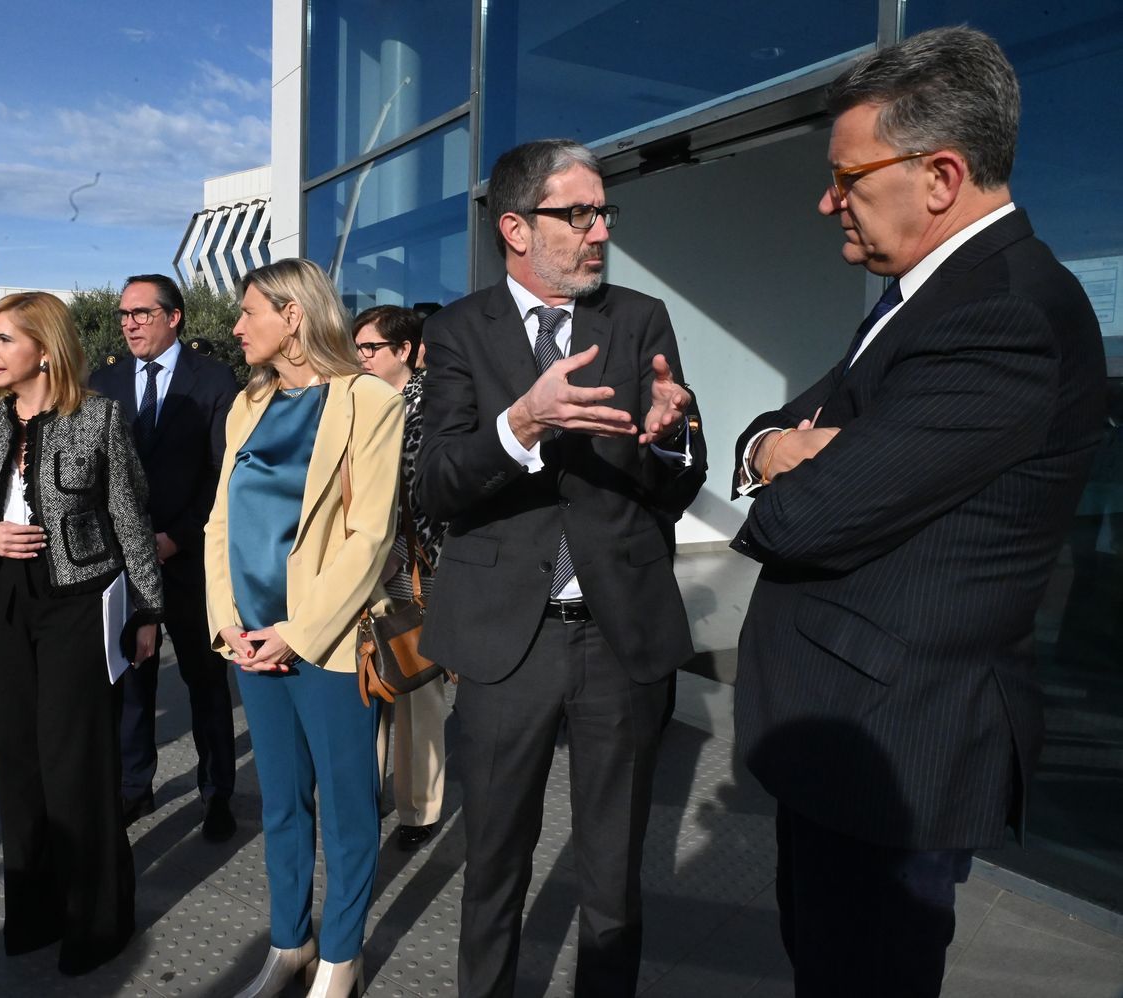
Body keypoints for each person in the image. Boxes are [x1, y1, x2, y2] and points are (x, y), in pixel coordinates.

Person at [729, 27, 1107, 998]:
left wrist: (814, 459)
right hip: (849, 738)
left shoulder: (1005, 313)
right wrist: (781, 448)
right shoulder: (918, 299)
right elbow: (775, 431)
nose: (827, 200)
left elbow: (799, 521)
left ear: (939, 175)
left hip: (899, 753)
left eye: (846, 176)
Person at [414, 139, 707, 998]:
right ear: (515, 226)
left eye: (604, 213)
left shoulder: (641, 318)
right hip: (510, 642)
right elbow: (436, 486)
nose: (598, 232)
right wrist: (522, 425)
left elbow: (676, 477)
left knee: (613, 877)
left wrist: (673, 433)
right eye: (576, 215)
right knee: (494, 865)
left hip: (621, 637)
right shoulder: (460, 330)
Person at [0, 291, 164, 976]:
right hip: (2, 603)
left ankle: (99, 921)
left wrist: (148, 612)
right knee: (17, 762)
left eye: (4, 339)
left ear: (45, 345)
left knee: (77, 767)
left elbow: (130, 520)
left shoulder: (97, 418)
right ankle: (34, 912)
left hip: (77, 604)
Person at [205, 259, 403, 997]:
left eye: (248, 311)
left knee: (348, 807)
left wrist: (298, 628)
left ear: (293, 316)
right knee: (282, 804)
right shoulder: (246, 406)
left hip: (329, 642)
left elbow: (369, 534)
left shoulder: (368, 403)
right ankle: (290, 942)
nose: (236, 326)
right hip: (251, 641)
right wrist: (228, 624)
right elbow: (220, 522)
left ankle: (340, 958)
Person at [89, 273, 240, 841]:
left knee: (206, 682)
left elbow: (221, 472)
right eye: (124, 314)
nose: (129, 323)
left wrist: (178, 537)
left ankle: (217, 792)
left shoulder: (214, 379)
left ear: (173, 317)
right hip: (124, 563)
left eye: (141, 314)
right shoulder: (102, 383)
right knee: (132, 679)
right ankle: (135, 787)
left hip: (191, 558)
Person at [350, 305, 447, 851]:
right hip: (365, 567)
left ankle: (419, 809)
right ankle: (369, 791)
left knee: (416, 683)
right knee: (372, 675)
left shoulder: (430, 405)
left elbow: (425, 494)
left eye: (371, 349)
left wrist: (394, 551)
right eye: (358, 348)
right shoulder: (359, 403)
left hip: (414, 566)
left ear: (405, 351)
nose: (361, 357)